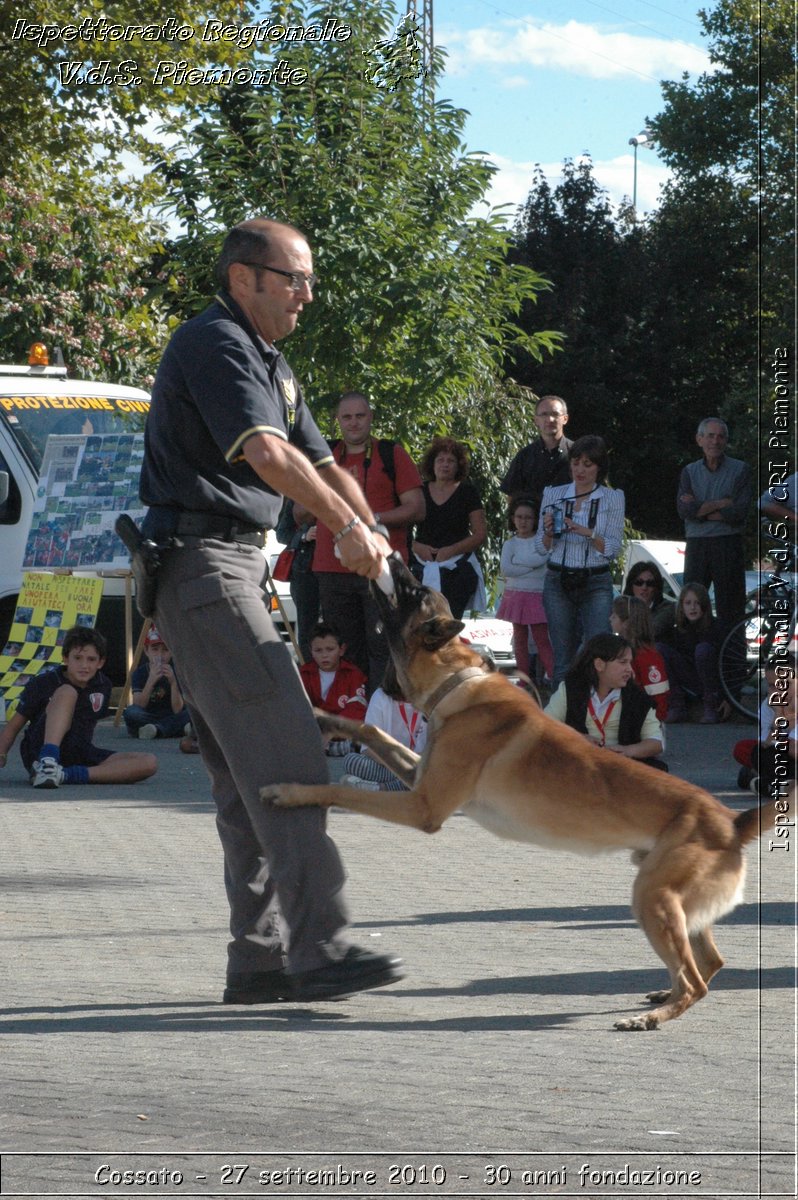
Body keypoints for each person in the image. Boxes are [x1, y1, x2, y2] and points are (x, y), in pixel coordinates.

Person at [138, 216, 403, 1005]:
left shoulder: (270, 363)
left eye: (310, 279)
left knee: (242, 780)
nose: (307, 294)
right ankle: (317, 951)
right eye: (295, 279)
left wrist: (376, 539)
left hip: (228, 571)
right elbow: (268, 456)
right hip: (205, 568)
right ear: (244, 277)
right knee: (288, 760)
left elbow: (323, 462)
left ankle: (257, 963)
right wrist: (348, 528)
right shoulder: (215, 344)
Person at [303, 391, 424, 692]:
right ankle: (355, 717)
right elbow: (298, 512)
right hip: (331, 569)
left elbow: (417, 508)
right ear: (337, 421)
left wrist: (369, 521)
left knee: (385, 647)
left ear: (371, 417)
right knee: (345, 651)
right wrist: (330, 494)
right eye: (347, 417)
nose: (353, 423)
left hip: (379, 566)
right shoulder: (324, 457)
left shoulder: (391, 453)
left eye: (360, 416)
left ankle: (384, 720)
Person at [0, 625, 157, 788]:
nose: (84, 665)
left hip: (80, 752)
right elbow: (13, 726)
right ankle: (48, 763)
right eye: (78, 658)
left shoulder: (103, 685)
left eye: (91, 659)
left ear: (100, 662)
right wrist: (2, 753)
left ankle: (65, 775)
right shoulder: (43, 683)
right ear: (66, 658)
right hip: (40, 751)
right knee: (68, 691)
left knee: (148, 762)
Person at [534, 434, 625, 686]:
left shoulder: (613, 497)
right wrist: (550, 533)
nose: (580, 470)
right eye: (576, 463)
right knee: (562, 656)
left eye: (588, 464)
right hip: (558, 579)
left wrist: (587, 533)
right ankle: (560, 718)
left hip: (595, 579)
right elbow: (540, 548)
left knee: (599, 651)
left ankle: (599, 714)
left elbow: (613, 549)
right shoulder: (553, 494)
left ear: (599, 467)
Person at [677, 417, 752, 639]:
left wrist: (700, 509)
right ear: (699, 439)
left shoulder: (741, 470)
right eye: (710, 435)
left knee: (731, 608)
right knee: (692, 604)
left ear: (726, 441)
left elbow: (739, 513)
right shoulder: (689, 472)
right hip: (697, 545)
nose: (715, 441)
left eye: (721, 436)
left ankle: (732, 666)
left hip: (728, 544)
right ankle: (691, 655)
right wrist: (722, 503)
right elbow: (685, 512)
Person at [544, 632, 666, 769]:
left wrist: (627, 751)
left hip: (621, 767)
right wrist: (577, 739)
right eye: (623, 662)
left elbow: (656, 743)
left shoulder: (638, 698)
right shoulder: (571, 690)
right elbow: (543, 727)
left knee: (658, 770)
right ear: (599, 665)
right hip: (578, 764)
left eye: (630, 663)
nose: (630, 669)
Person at [412, 435, 487, 619]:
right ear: (432, 463)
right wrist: (416, 547)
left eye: (450, 461)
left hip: (456, 568)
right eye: (440, 460)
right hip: (420, 565)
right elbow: (401, 528)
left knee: (449, 627)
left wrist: (452, 550)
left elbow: (480, 533)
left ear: (458, 465)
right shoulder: (418, 491)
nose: (445, 464)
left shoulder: (468, 492)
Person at [339, 660, 427, 792]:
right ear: (394, 673)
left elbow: (432, 749)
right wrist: (398, 766)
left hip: (419, 764)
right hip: (387, 763)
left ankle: (379, 788)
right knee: (352, 761)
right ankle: (402, 785)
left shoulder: (430, 700)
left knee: (434, 770)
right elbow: (368, 747)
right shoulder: (381, 697)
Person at [496, 495, 554, 683]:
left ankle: (554, 677)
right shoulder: (509, 544)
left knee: (541, 639)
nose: (523, 521)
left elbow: (543, 561)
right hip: (515, 595)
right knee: (519, 640)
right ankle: (523, 679)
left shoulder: (543, 541)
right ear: (513, 519)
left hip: (536, 595)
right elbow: (506, 569)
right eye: (519, 517)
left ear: (536, 520)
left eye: (528, 517)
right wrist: (531, 566)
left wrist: (520, 564)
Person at [656, 582, 729, 724]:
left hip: (712, 682)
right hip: (689, 679)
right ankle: (676, 705)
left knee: (703, 650)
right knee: (659, 649)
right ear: (682, 606)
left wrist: (730, 696)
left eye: (697, 603)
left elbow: (729, 665)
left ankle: (711, 706)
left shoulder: (716, 627)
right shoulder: (678, 629)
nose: (692, 607)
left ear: (704, 605)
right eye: (688, 603)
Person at [299, 623, 367, 755]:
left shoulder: (353, 674)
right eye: (318, 650)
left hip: (341, 733)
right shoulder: (304, 674)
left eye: (330, 649)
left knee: (357, 739)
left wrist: (331, 731)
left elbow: (357, 709)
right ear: (310, 651)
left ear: (341, 650)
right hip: (315, 732)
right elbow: (299, 707)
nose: (324, 655)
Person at [500, 395, 573, 507]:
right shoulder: (524, 456)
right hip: (533, 522)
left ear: (565, 419)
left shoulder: (577, 454)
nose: (550, 419)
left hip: (570, 522)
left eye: (555, 414)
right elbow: (512, 497)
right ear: (536, 420)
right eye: (544, 414)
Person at [122, 625, 191, 740]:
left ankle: (156, 730)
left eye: (165, 650)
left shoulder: (177, 672)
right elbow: (139, 705)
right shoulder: (139, 673)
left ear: (171, 652)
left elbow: (178, 709)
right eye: (155, 649)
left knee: (191, 712)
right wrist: (151, 680)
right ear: (146, 651)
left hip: (171, 714)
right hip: (148, 715)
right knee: (131, 713)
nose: (160, 655)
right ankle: (177, 729)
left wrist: (173, 683)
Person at [610, 595, 670, 721]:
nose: (610, 619)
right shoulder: (620, 652)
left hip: (644, 725)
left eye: (614, 616)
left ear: (626, 623)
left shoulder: (647, 656)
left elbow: (659, 696)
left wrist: (653, 725)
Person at [622, 560, 676, 641]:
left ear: (656, 586)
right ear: (631, 585)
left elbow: (651, 631)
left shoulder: (667, 608)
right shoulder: (623, 607)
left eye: (650, 583)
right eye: (639, 582)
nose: (644, 588)